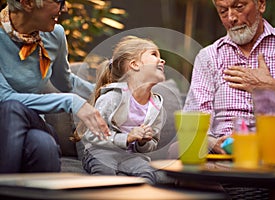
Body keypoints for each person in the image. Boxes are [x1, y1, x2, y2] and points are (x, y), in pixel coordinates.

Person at [0, 0, 109, 173]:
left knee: (18, 115)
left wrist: (108, 92)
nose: (65, 8)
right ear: (27, 3)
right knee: (43, 145)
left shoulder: (54, 35)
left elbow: (66, 82)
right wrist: (71, 102)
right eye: (59, 1)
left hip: (33, 121)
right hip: (7, 119)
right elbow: (4, 97)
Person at [183, 0, 275, 154]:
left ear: (261, 4)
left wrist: (273, 88)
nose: (231, 18)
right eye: (223, 11)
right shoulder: (209, 56)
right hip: (226, 157)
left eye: (239, 7)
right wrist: (212, 143)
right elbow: (193, 124)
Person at [79, 36, 166, 184]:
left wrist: (144, 142)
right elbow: (91, 135)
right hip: (101, 152)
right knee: (104, 172)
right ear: (135, 65)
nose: (162, 60)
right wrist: (126, 138)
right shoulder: (111, 98)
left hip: (131, 156)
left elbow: (152, 145)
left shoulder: (157, 106)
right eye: (154, 54)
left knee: (148, 174)